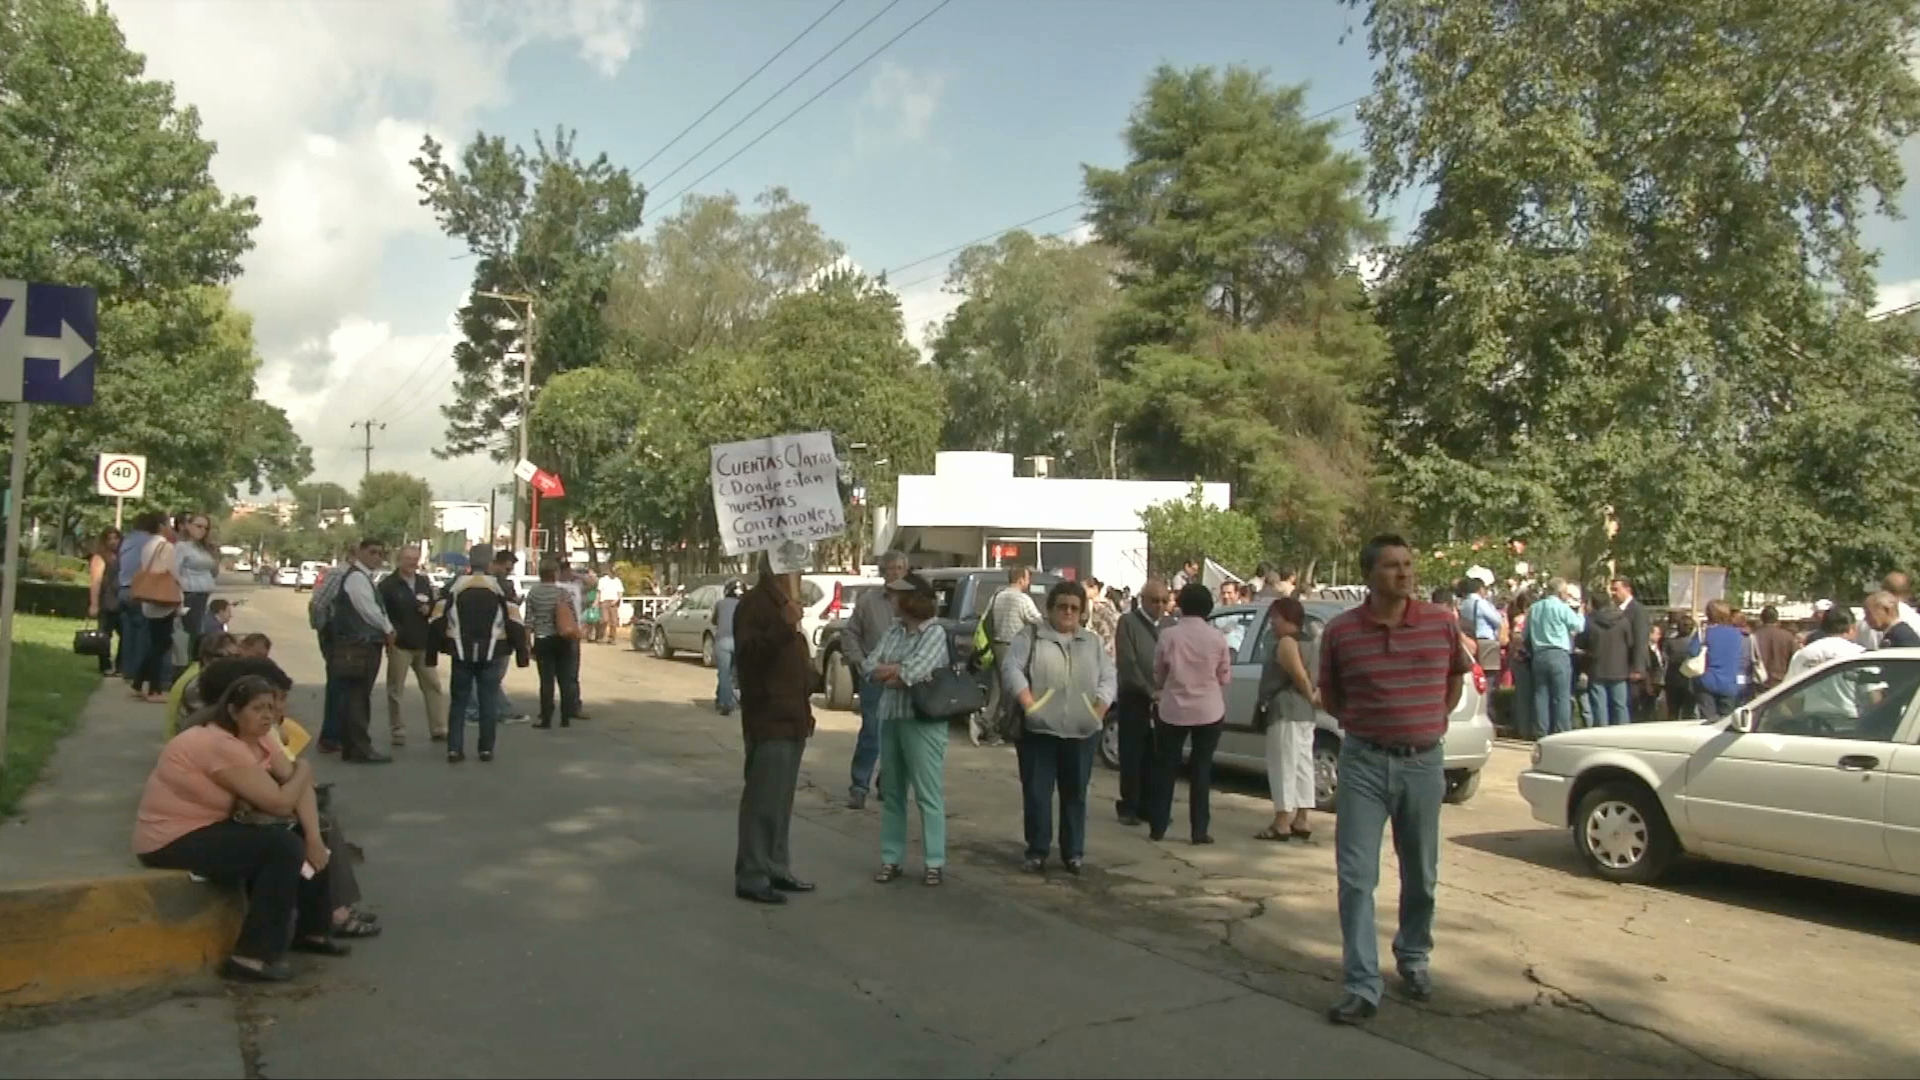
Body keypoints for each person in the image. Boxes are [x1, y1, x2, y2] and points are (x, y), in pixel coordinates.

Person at [1318, 534, 1469, 1025]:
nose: (1403, 573)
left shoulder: (1440, 623)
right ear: (1368, 575)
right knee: (1356, 877)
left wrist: (1429, 722)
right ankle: (1362, 984)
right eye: (1391, 566)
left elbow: (1454, 678)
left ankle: (1414, 956)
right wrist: (1368, 725)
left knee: (1421, 873)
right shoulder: (1341, 632)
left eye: (1407, 564)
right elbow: (1332, 695)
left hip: (1423, 763)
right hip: (1363, 762)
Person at [133, 677, 345, 983]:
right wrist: (304, 769)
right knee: (282, 848)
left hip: (212, 826)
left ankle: (313, 931)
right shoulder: (218, 743)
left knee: (309, 829)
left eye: (271, 707)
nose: (267, 716)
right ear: (233, 711)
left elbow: (300, 792)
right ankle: (251, 957)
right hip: (170, 840)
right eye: (257, 708)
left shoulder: (260, 737)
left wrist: (313, 837)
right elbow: (280, 803)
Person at [1003, 579, 1116, 875]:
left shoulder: (1092, 643)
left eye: (1074, 608)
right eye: (1062, 606)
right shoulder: (1031, 636)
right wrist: (1030, 705)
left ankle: (1073, 853)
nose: (1068, 612)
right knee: (1037, 794)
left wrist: (1097, 712)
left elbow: (1109, 677)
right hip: (1039, 731)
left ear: (1082, 612)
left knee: (1075, 794)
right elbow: (1011, 668)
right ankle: (1037, 850)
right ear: (1050, 609)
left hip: (1081, 732)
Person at [732, 564, 817, 905]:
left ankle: (776, 866)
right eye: (793, 565)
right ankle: (753, 873)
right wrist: (782, 624)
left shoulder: (787, 604)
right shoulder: (755, 605)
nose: (800, 573)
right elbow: (749, 656)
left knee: (780, 802)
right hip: (769, 718)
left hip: (792, 717)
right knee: (763, 800)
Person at [861, 572, 952, 888]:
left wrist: (894, 672)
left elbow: (914, 672)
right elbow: (869, 666)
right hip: (891, 717)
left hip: (922, 720)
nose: (893, 599)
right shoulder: (894, 631)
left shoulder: (934, 633)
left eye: (899, 594)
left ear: (915, 599)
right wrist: (896, 672)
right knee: (893, 792)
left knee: (928, 793)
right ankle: (891, 858)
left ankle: (934, 861)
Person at [1148, 582, 1232, 844]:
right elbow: (1224, 676)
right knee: (1201, 769)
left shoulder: (1168, 636)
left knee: (1166, 768)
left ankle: (1158, 826)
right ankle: (1199, 830)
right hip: (1209, 710)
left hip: (1173, 709)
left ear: (1181, 605)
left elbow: (1158, 672)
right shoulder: (1217, 638)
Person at [841, 551, 907, 809]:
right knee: (872, 732)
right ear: (883, 572)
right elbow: (850, 633)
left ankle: (888, 783)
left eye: (900, 568)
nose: (896, 573)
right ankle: (859, 786)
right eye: (891, 568)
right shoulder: (868, 602)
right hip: (874, 678)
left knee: (898, 735)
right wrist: (859, 662)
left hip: (904, 680)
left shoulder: (914, 601)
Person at [442, 545, 519, 764]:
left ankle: (454, 748)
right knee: (488, 701)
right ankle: (485, 748)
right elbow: (514, 619)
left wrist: (437, 647)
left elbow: (439, 614)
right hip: (491, 651)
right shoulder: (500, 586)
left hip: (461, 651)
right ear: (490, 563)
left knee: (459, 701)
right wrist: (520, 649)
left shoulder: (456, 584)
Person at [322, 538, 395, 764]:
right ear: (361, 552)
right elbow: (367, 609)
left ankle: (352, 746)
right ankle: (359, 747)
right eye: (372, 552)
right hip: (360, 645)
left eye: (380, 554)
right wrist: (388, 628)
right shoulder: (357, 578)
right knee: (357, 697)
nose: (377, 557)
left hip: (360, 643)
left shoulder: (363, 577)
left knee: (355, 696)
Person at [1255, 596, 1318, 842]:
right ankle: (1302, 818)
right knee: (1303, 765)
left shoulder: (1286, 643)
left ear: (1287, 618)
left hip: (1286, 710)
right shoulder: (1310, 642)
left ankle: (1282, 821)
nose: (1272, 622)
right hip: (1305, 714)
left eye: (1275, 617)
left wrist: (1310, 696)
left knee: (1283, 765)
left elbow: (1299, 676)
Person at [1112, 580, 1171, 826]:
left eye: (1164, 601)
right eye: (1154, 600)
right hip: (1134, 696)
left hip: (1163, 699)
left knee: (1155, 755)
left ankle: (1150, 806)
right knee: (1132, 753)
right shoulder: (1128, 623)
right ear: (1143, 599)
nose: (1159, 606)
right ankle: (1129, 805)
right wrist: (1149, 690)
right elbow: (1128, 662)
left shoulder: (1169, 625)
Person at [377, 544, 448, 744]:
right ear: (400, 560)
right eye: (408, 558)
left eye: (415, 559)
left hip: (423, 643)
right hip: (400, 645)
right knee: (396, 690)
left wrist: (429, 608)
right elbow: (380, 612)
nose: (412, 563)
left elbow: (435, 604)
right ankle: (398, 730)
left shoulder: (423, 582)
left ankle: (439, 728)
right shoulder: (388, 585)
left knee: (433, 686)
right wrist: (389, 634)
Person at [977, 565, 1042, 746]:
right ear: (1021, 579)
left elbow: (987, 618)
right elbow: (1037, 621)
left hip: (996, 645)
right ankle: (991, 724)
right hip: (1013, 647)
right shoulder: (1022, 599)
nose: (1029, 582)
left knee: (998, 687)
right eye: (1027, 578)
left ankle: (988, 725)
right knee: (1012, 690)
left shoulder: (997, 596)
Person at [129, 515, 184, 704]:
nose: (171, 528)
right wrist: (182, 587)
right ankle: (154, 688)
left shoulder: (148, 545)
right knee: (161, 645)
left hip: (150, 598)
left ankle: (138, 683)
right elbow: (173, 571)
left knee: (155, 643)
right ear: (161, 526)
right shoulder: (167, 547)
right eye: (169, 525)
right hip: (163, 599)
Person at [525, 558, 584, 729]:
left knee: (546, 681)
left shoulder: (533, 593)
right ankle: (565, 717)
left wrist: (527, 644)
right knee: (565, 679)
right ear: (555, 573)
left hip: (543, 640)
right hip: (563, 640)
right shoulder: (562, 593)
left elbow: (528, 621)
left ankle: (546, 717)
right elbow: (572, 617)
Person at [1525, 579, 1585, 737]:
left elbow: (1526, 634)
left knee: (1541, 695)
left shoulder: (1534, 608)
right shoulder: (1562, 608)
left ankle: (1541, 732)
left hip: (1539, 654)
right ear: (1560, 592)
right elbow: (1578, 626)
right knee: (1561, 696)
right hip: (1559, 653)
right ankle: (1561, 731)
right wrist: (1580, 613)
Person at [117, 513, 164, 699]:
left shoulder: (127, 540)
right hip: (140, 591)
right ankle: (139, 676)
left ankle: (128, 671)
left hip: (123, 589)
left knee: (129, 634)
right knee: (145, 636)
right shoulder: (151, 543)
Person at [1578, 596, 1633, 726]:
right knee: (1620, 706)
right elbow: (1630, 643)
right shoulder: (1623, 621)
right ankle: (1624, 732)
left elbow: (1581, 643)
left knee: (1599, 707)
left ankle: (1601, 732)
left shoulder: (1590, 622)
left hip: (1597, 668)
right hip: (1619, 669)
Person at [174, 513, 220, 665]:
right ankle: (185, 665)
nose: (202, 531)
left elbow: (213, 572)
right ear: (188, 526)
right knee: (191, 633)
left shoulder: (204, 549)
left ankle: (191, 663)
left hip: (203, 594)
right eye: (198, 526)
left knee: (198, 632)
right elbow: (175, 571)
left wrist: (215, 555)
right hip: (189, 593)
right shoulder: (182, 547)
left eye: (206, 528)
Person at [1609, 577, 1655, 719]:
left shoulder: (1637, 610)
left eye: (1616, 589)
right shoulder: (1616, 610)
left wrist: (1638, 668)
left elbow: (1641, 639)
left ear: (1627, 589)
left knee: (1633, 705)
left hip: (1633, 666)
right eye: (1612, 590)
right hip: (1620, 665)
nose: (1613, 593)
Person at [1693, 600, 1747, 719]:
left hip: (1706, 681)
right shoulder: (1737, 634)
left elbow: (1692, 652)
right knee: (1727, 721)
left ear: (1708, 614)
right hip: (1730, 683)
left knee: (1708, 721)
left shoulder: (1704, 633)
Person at [87, 526, 123, 676]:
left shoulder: (122, 556)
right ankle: (105, 665)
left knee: (126, 634)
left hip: (121, 601)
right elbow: (95, 582)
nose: (113, 542)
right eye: (110, 539)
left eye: (116, 538)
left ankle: (121, 665)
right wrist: (94, 604)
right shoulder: (100, 558)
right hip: (106, 601)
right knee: (104, 635)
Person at [712, 579, 742, 716]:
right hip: (739, 641)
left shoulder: (720, 604)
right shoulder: (744, 604)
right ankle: (723, 698)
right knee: (734, 673)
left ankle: (725, 703)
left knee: (724, 673)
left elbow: (714, 620)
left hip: (722, 640)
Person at [1661, 612, 1700, 720]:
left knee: (1673, 712)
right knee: (1689, 712)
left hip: (1672, 680)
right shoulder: (1695, 644)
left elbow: (1664, 660)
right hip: (1690, 681)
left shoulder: (1669, 643)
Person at [1753, 605, 1798, 692]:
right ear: (1777, 619)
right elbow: (1796, 659)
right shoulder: (1788, 637)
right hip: (1782, 683)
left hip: (1760, 684)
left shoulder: (1754, 636)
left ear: (1761, 619)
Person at [596, 566, 625, 645]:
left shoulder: (617, 581)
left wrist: (616, 600)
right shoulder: (602, 580)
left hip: (613, 602)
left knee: (614, 622)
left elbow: (620, 592)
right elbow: (599, 592)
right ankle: (601, 636)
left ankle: (612, 638)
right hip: (604, 601)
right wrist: (597, 601)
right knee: (604, 620)